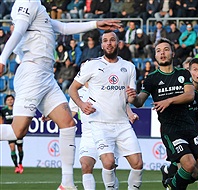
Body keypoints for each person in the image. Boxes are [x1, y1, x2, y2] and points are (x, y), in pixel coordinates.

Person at [0, 1, 120, 189]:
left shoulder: (39, 9)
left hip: (46, 75)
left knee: (68, 124)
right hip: (32, 71)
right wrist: (2, 58)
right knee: (17, 131)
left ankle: (67, 184)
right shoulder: (27, 1)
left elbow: (63, 27)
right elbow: (18, 30)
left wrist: (95, 24)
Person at [126, 38, 198, 190]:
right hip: (171, 129)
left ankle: (171, 181)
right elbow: (140, 101)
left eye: (166, 50)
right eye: (158, 51)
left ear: (172, 53)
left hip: (189, 127)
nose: (162, 53)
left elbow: (189, 95)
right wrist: (132, 97)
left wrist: (169, 101)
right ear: (155, 56)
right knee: (189, 164)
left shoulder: (183, 73)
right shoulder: (152, 78)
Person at [68, 31, 143, 190]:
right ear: (101, 45)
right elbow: (72, 89)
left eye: (112, 40)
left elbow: (131, 99)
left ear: (118, 43)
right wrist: (81, 105)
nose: (109, 43)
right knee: (108, 162)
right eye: (105, 41)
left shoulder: (128, 67)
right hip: (100, 124)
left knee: (138, 163)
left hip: (122, 123)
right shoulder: (92, 65)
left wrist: (132, 98)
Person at [160, 58, 198, 190]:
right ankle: (171, 180)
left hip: (192, 130)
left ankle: (170, 175)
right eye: (195, 70)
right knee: (190, 169)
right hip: (176, 131)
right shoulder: (183, 93)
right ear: (189, 72)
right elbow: (190, 121)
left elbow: (196, 117)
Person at [69, 82, 139, 190]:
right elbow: (71, 112)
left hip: (106, 131)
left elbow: (121, 102)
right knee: (85, 165)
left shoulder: (104, 86)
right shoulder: (77, 93)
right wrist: (55, 116)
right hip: (88, 134)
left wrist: (130, 114)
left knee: (110, 165)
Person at [0, 95, 24, 174]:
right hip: (9, 131)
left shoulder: (17, 110)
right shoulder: (3, 110)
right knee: (12, 148)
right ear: (5, 102)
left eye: (11, 99)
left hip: (18, 131)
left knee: (20, 148)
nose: (10, 101)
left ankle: (20, 163)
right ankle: (16, 166)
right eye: (8, 100)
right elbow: (1, 121)